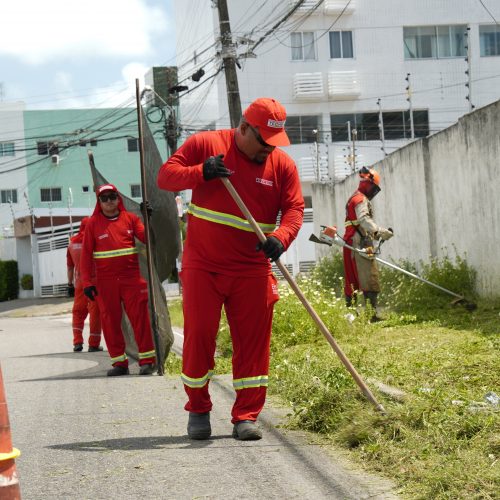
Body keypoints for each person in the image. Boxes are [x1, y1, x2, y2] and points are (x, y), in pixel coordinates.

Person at [157, 97, 304, 441]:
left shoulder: (282, 166)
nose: (269, 149)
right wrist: (201, 172)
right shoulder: (207, 145)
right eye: (264, 141)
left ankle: (246, 416)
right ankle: (198, 408)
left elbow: (294, 209)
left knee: (253, 345)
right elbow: (166, 177)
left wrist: (281, 237)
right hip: (203, 266)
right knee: (199, 337)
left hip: (252, 267)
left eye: (275, 142)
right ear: (243, 128)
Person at [80, 184, 156, 377]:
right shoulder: (92, 224)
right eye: (104, 198)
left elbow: (147, 239)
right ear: (99, 202)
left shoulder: (131, 219)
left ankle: (147, 361)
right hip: (105, 283)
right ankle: (119, 363)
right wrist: (87, 283)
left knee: (140, 320)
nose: (109, 201)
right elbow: (86, 256)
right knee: (110, 322)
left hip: (132, 279)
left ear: (118, 198)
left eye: (112, 196)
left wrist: (147, 218)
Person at [343, 166, 393, 321]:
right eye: (373, 188)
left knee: (352, 281)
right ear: (368, 184)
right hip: (359, 243)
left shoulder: (353, 198)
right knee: (369, 277)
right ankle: (372, 316)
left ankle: (352, 316)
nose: (373, 191)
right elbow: (364, 219)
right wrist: (379, 232)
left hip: (350, 243)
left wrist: (375, 234)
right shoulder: (360, 199)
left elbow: (358, 222)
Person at [66, 217, 103, 352]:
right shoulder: (96, 242)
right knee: (95, 313)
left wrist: (70, 285)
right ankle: (93, 344)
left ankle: (77, 342)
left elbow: (70, 268)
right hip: (94, 282)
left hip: (79, 283)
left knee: (78, 312)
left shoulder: (71, 244)